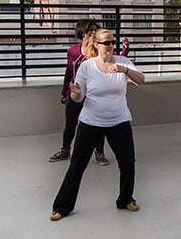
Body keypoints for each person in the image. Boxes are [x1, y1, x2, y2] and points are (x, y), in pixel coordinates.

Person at [50, 29, 145, 221]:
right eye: (106, 43)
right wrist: (75, 92)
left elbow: (141, 80)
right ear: (97, 45)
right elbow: (79, 97)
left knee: (127, 162)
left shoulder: (123, 62)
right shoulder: (87, 66)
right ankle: (62, 206)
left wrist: (124, 70)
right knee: (77, 164)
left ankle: (125, 199)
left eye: (112, 42)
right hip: (91, 121)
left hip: (119, 121)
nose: (110, 46)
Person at [50, 19, 129, 166]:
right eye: (90, 30)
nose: (93, 32)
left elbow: (114, 59)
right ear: (82, 33)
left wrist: (125, 50)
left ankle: (99, 153)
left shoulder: (97, 52)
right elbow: (68, 71)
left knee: (98, 124)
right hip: (75, 92)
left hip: (93, 94)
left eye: (95, 29)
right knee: (70, 123)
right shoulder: (73, 51)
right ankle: (65, 150)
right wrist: (64, 91)